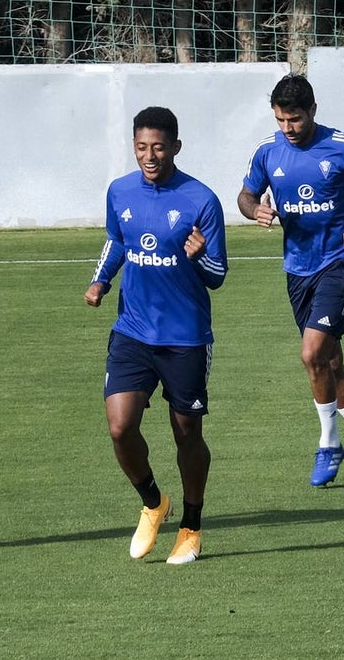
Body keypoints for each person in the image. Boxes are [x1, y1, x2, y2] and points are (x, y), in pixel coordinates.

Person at [238, 74, 344, 486]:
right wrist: (254, 209)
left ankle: (329, 443)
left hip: (341, 262)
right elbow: (244, 196)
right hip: (297, 268)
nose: (287, 128)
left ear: (312, 110)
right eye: (280, 120)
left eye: (294, 119)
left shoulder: (343, 146)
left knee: (311, 353)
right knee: (329, 361)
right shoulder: (267, 151)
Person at [86, 106, 228, 565]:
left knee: (186, 433)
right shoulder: (120, 190)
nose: (150, 156)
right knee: (119, 426)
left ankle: (190, 525)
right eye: (142, 147)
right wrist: (101, 280)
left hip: (185, 337)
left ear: (176, 148)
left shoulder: (201, 200)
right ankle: (153, 503)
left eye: (159, 147)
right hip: (132, 331)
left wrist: (199, 256)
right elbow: (118, 241)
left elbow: (218, 275)